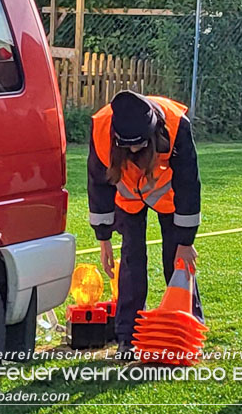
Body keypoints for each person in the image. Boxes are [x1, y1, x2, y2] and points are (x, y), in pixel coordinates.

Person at [87, 90, 204, 356]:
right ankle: (127, 338)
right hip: (128, 200)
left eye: (139, 145)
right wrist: (103, 239)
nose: (133, 151)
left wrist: (185, 242)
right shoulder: (101, 128)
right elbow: (98, 184)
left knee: (177, 261)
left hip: (170, 198)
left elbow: (189, 184)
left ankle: (188, 327)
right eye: (127, 146)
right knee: (131, 260)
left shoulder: (176, 125)